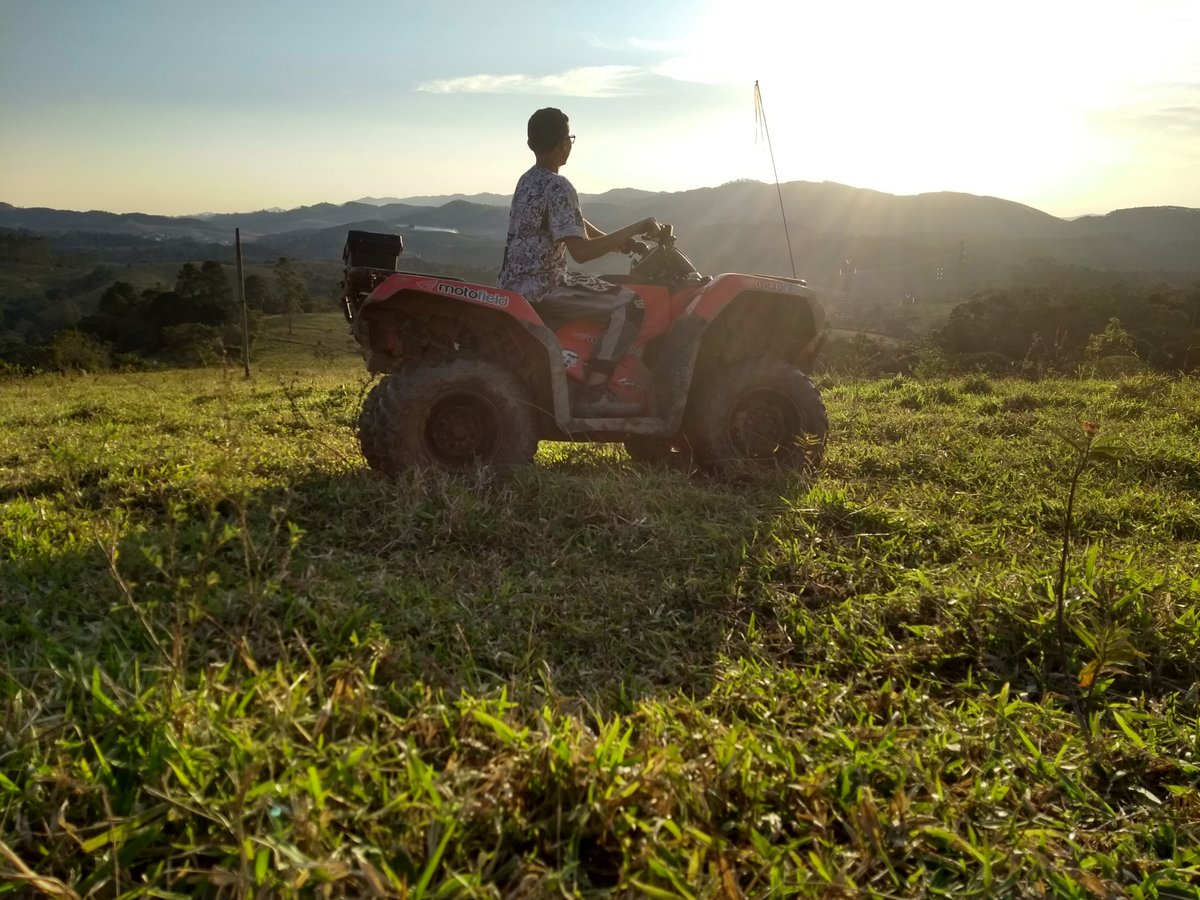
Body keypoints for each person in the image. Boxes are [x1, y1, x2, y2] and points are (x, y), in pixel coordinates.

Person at [498, 107, 662, 416]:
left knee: (609, 290)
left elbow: (573, 222)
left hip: (512, 284)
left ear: (531, 143)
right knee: (630, 305)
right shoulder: (560, 185)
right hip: (545, 284)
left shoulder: (528, 181)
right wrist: (639, 226)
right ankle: (596, 390)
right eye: (570, 137)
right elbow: (582, 253)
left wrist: (618, 243)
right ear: (563, 144)